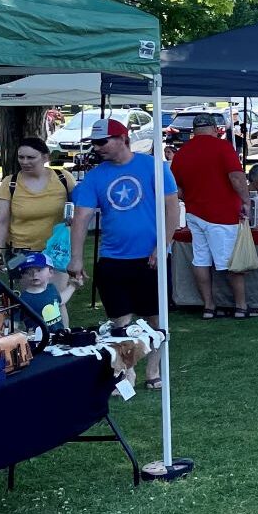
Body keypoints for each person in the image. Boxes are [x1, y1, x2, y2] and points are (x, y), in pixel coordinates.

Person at [68, 118, 181, 390]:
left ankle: (152, 371)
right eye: (94, 143)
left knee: (156, 319)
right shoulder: (95, 177)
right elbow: (81, 218)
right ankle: (126, 373)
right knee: (120, 321)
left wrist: (161, 246)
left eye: (102, 141)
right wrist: (76, 257)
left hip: (149, 258)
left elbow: (172, 209)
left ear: (123, 138)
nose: (97, 148)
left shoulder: (154, 166)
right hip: (112, 258)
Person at [171, 112, 258, 320]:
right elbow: (237, 177)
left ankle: (209, 307)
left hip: (194, 213)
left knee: (201, 260)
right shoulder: (223, 147)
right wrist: (246, 201)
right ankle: (240, 306)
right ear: (214, 129)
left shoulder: (182, 152)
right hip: (223, 214)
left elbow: (176, 188)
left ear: (194, 131)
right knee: (232, 261)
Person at [0, 137, 74, 264]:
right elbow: (2, 221)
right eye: (21, 157)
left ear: (45, 158)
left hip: (57, 250)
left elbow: (80, 207)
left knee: (57, 285)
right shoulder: (10, 183)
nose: (25, 162)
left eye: (31, 157)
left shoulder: (64, 178)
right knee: (26, 284)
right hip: (21, 252)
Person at [10, 251, 75, 331]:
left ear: (50, 272)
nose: (34, 274)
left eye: (39, 270)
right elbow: (13, 325)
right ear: (23, 276)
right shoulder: (22, 299)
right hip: (39, 341)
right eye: (28, 272)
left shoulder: (51, 289)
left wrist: (73, 286)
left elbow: (60, 300)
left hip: (59, 336)